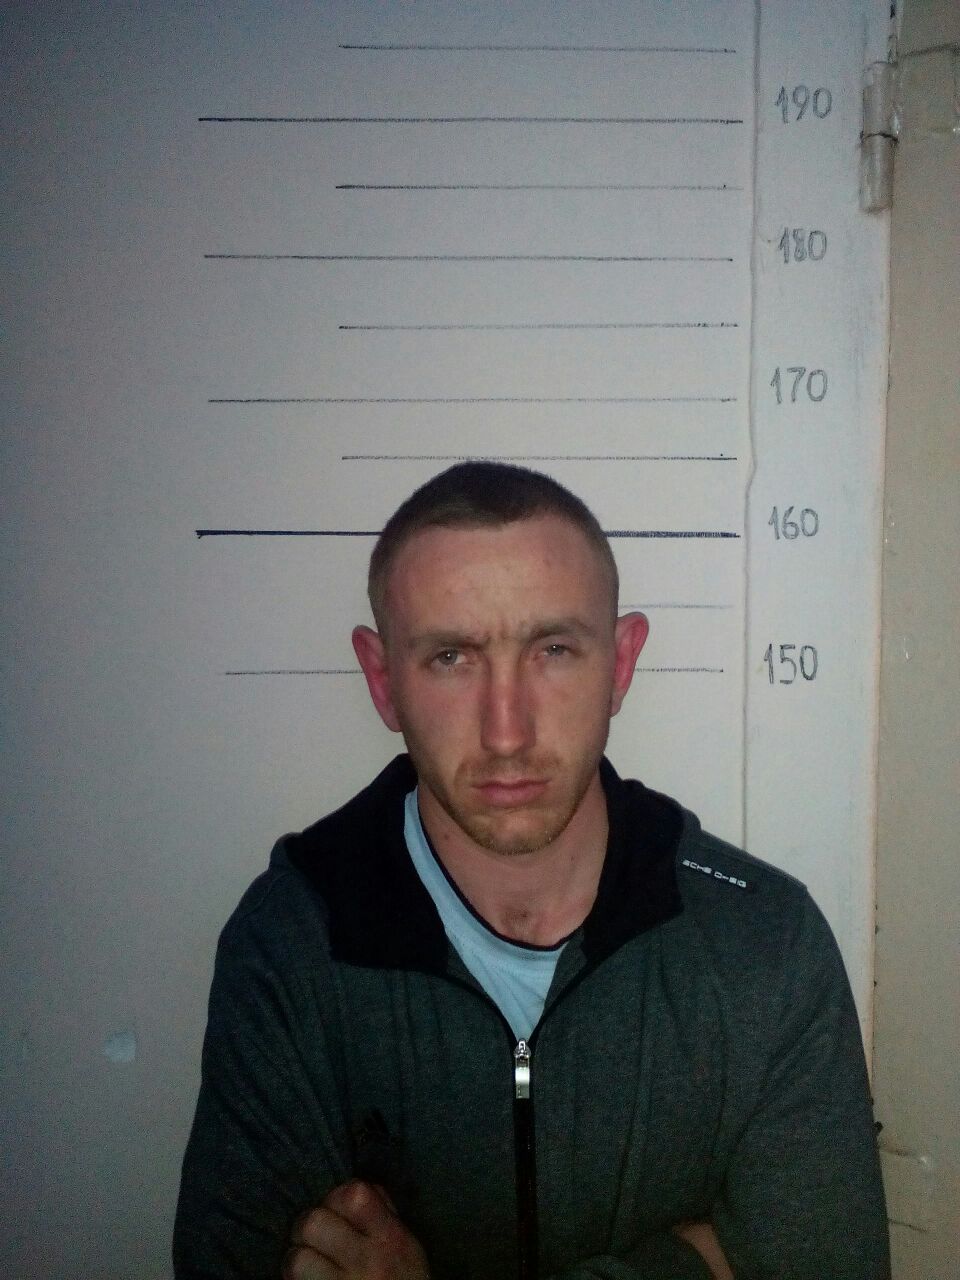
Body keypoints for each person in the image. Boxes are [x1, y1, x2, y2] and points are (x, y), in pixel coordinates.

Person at [173, 462, 890, 1280]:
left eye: (553, 650)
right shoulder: (290, 947)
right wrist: (692, 1263)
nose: (506, 732)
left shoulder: (766, 944)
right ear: (382, 680)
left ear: (620, 664)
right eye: (451, 656)